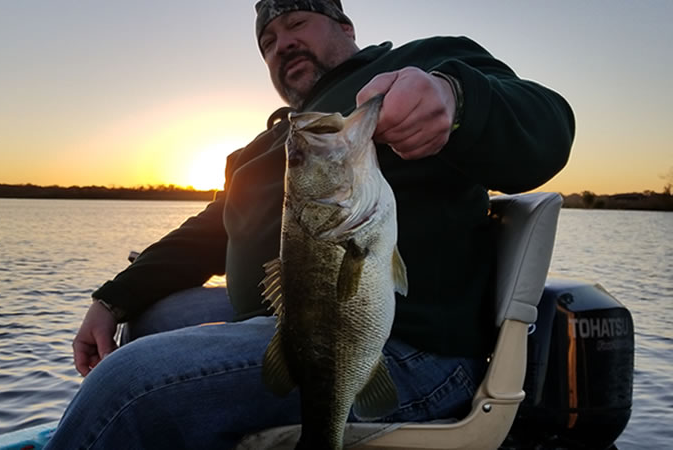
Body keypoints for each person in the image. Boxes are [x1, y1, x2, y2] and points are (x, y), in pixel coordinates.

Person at [45, 0, 574, 448]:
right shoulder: (276, 139)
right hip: (288, 316)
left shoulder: (426, 62)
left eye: (297, 23)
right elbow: (214, 227)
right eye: (268, 41)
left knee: (126, 385)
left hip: (404, 349)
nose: (281, 45)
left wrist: (455, 99)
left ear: (345, 27)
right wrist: (112, 298)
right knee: (146, 319)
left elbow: (547, 128)